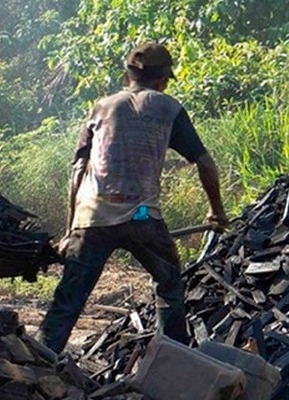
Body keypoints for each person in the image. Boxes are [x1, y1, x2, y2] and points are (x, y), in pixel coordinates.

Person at [39, 41, 229, 354]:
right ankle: (173, 360)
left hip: (93, 219)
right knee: (168, 284)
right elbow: (205, 164)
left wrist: (70, 229)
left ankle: (40, 363)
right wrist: (217, 213)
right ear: (163, 79)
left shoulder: (101, 107)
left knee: (68, 300)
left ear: (128, 75)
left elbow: (77, 170)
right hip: (141, 217)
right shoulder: (168, 107)